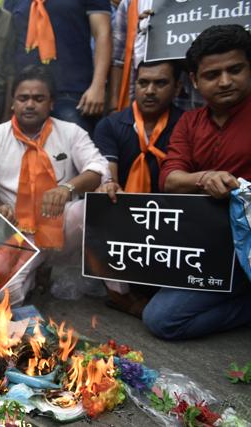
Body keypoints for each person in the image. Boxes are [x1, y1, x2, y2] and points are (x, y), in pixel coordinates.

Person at [0, 65, 109, 306]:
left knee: (93, 209)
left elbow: (98, 167)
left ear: (51, 103)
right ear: (13, 103)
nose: (30, 104)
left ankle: (121, 294)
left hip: (63, 228)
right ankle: (32, 276)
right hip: (20, 234)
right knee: (4, 298)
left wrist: (67, 189)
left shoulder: (70, 132)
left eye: (38, 98)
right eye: (23, 98)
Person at [144, 25, 251, 340]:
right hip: (206, 250)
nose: (225, 81)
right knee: (159, 317)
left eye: (235, 70)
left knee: (161, 318)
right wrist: (206, 179)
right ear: (194, 81)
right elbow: (170, 179)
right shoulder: (189, 123)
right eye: (212, 74)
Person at [94, 59, 183, 316]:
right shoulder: (111, 125)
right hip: (123, 220)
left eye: (160, 83)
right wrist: (109, 184)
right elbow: (107, 168)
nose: (150, 90)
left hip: (170, 222)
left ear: (177, 88)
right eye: (143, 83)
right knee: (89, 208)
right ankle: (120, 295)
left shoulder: (187, 124)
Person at [4, 0, 111, 132]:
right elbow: (9, 43)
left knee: (72, 148)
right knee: (26, 150)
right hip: (26, 95)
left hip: (72, 92)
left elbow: (102, 34)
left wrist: (98, 85)